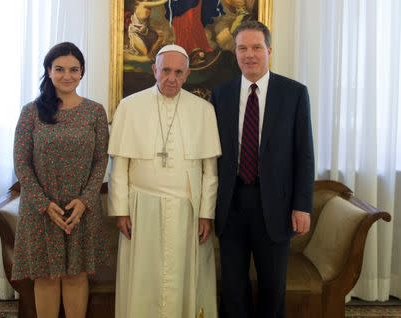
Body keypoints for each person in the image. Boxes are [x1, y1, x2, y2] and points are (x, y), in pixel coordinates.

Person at [108, 44, 221, 318]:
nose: (172, 78)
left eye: (179, 72)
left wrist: (206, 214)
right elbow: (119, 165)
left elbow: (210, 171)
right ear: (154, 70)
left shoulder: (203, 110)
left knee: (184, 277)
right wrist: (120, 210)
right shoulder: (129, 106)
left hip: (187, 210)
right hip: (141, 209)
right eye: (166, 70)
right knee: (143, 278)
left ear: (187, 74)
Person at [211, 21, 314, 318]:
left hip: (276, 206)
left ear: (269, 50)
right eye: (242, 48)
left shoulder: (294, 94)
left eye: (257, 47)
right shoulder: (221, 95)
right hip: (231, 206)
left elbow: (304, 155)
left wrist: (302, 205)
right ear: (235, 52)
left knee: (272, 288)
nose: (249, 54)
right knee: (232, 288)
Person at [11, 42, 109, 318]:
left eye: (74, 69)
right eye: (60, 69)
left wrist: (85, 200)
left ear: (82, 73)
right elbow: (21, 163)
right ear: (48, 71)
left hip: (80, 209)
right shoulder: (31, 112)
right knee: (46, 277)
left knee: (77, 275)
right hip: (41, 210)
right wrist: (44, 204)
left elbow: (101, 159)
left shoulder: (95, 112)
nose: (67, 75)